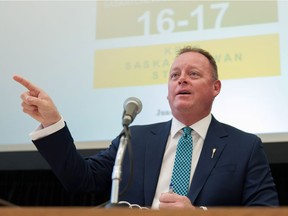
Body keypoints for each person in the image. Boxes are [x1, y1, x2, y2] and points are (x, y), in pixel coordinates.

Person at [13, 46, 279, 209]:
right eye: (175, 75)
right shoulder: (135, 138)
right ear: (167, 92)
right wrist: (52, 122)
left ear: (216, 87)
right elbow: (80, 179)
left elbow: (265, 210)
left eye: (193, 74)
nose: (182, 80)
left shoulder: (244, 147)